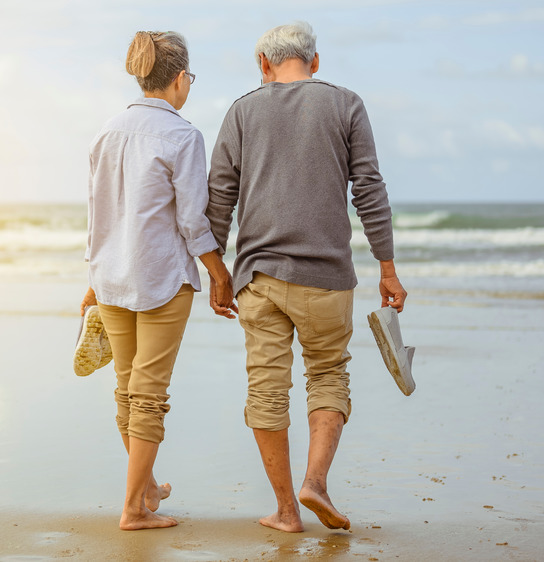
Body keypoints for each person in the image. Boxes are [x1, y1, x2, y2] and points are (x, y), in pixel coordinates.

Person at [205, 21, 407, 533]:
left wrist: (217, 272)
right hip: (327, 279)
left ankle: (286, 511)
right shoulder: (346, 104)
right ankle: (314, 481)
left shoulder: (243, 110)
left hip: (260, 278)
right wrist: (386, 266)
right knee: (328, 375)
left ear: (264, 66)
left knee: (267, 391)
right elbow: (369, 190)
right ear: (315, 63)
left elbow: (219, 198)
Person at [80, 30, 237, 531]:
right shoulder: (182, 135)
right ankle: (132, 510)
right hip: (162, 279)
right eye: (189, 76)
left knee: (127, 390)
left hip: (111, 278)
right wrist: (218, 273)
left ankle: (144, 489)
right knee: (148, 395)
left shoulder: (107, 131)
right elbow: (193, 220)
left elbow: (96, 215)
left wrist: (91, 278)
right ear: (179, 79)